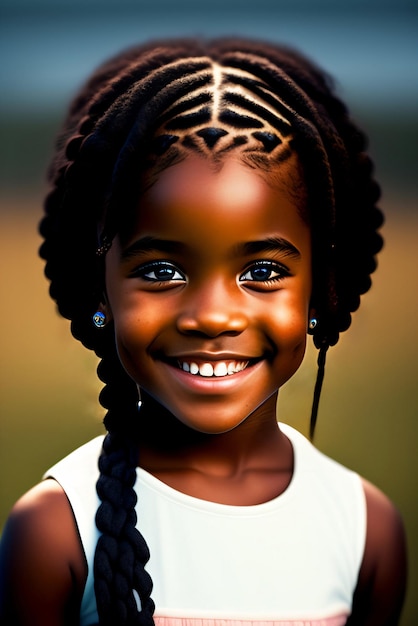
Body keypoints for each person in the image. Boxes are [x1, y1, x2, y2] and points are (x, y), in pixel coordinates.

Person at [0, 37, 407, 626]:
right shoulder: (56, 529)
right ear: (101, 290)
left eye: (262, 271)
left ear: (324, 288)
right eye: (161, 271)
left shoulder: (366, 528)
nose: (213, 316)